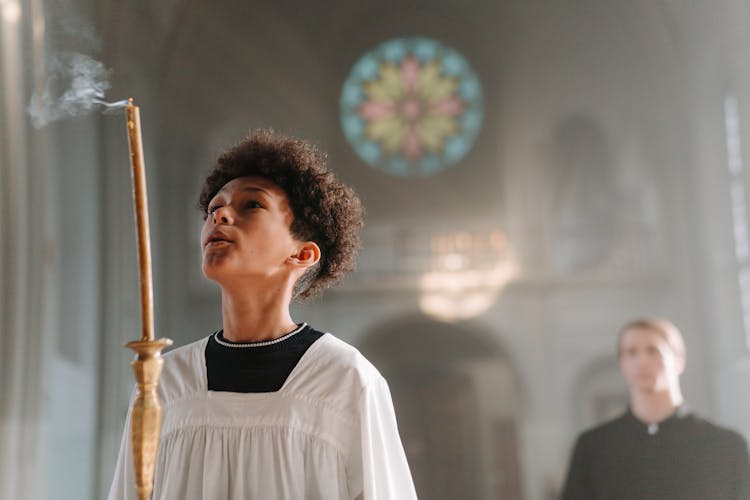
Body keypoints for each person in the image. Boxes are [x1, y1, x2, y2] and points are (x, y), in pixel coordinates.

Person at [108, 129, 417, 499]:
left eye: (251, 205)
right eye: (213, 209)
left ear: (302, 254)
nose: (220, 214)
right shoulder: (165, 384)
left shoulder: (345, 382)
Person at [561, 318, 750, 499]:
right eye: (631, 353)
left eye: (653, 351)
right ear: (622, 365)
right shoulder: (592, 447)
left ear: (679, 361)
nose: (641, 362)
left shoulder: (725, 445)